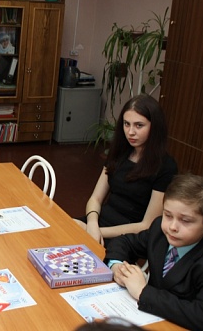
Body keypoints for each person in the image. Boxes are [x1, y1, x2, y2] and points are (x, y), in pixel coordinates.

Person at [105, 173, 203, 330]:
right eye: (167, 215)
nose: (172, 227)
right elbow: (124, 242)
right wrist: (117, 266)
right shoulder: (160, 230)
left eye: (185, 220)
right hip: (152, 318)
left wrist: (143, 292)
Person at [76, 94, 177, 246]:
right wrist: (91, 224)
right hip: (99, 223)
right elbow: (95, 198)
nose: (130, 132)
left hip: (128, 237)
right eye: (126, 124)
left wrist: (96, 232)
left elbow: (147, 225)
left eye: (139, 125)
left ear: (155, 127)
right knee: (59, 230)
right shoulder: (119, 153)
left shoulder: (166, 167)